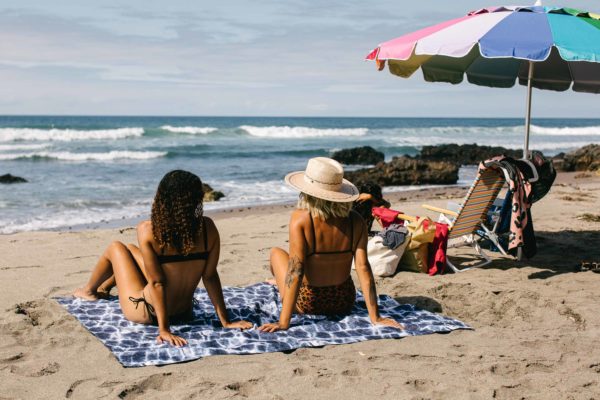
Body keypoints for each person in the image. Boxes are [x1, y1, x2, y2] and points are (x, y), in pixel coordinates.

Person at [74, 170, 252, 346]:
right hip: (185, 312)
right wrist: (226, 322)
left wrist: (164, 330)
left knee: (116, 247)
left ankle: (89, 291)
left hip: (147, 311)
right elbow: (210, 276)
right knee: (130, 249)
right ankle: (104, 287)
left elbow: (157, 283)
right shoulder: (207, 228)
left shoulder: (148, 230)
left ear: (163, 198)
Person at [258, 157, 404, 332]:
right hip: (344, 301)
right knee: (290, 264)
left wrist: (284, 322)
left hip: (308, 303)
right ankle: (279, 281)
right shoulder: (356, 221)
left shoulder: (301, 219)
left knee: (276, 253)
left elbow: (296, 271)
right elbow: (363, 268)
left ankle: (280, 282)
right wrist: (376, 317)